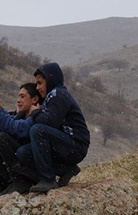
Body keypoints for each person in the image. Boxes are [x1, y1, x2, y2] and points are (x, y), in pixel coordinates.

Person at [15, 62, 90, 193]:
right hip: (64, 143)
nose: (37, 87)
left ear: (50, 80)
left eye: (40, 83)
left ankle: (48, 180)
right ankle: (65, 169)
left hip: (76, 145)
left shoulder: (58, 95)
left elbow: (49, 122)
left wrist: (35, 112)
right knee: (24, 153)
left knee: (38, 130)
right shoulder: (50, 97)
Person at [0, 83, 41, 199]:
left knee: (2, 138)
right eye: (18, 96)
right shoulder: (20, 115)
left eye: (22, 96)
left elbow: (17, 128)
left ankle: (23, 179)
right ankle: (10, 181)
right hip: (22, 158)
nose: (18, 100)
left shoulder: (37, 115)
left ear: (34, 99)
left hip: (32, 163)